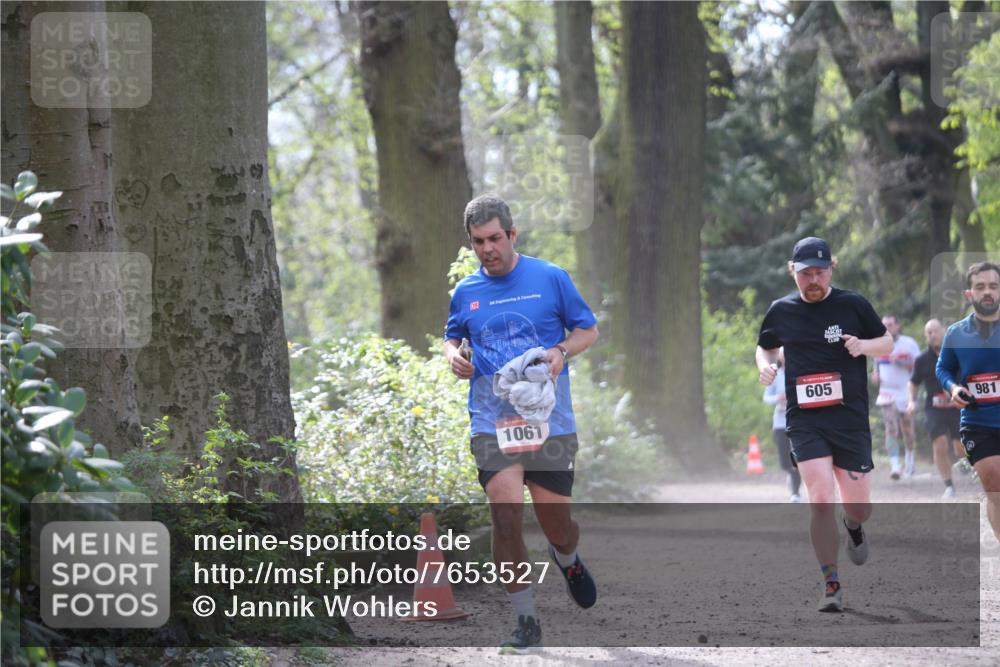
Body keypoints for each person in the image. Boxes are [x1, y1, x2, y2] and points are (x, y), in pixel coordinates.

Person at [444, 194, 600, 650]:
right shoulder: (466, 292)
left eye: (495, 238)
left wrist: (560, 352)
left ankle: (566, 556)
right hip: (492, 421)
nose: (488, 248)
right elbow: (451, 337)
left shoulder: (550, 278)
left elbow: (587, 329)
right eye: (478, 242)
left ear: (512, 234)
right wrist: (455, 356)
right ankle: (525, 618)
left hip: (548, 420)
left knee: (557, 524)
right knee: (506, 517)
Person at [756, 237, 893, 612]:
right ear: (793, 272)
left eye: (819, 272)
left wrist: (864, 347)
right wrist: (765, 365)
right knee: (819, 499)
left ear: (831, 268)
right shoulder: (780, 310)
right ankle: (831, 582)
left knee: (859, 507)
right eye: (805, 274)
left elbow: (887, 341)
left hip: (848, 420)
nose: (812, 280)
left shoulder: (852, 304)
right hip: (804, 421)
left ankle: (853, 525)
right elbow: (765, 344)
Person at [936, 261, 1000, 543]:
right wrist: (953, 388)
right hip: (978, 421)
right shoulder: (956, 333)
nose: (988, 292)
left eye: (994, 286)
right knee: (994, 484)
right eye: (980, 287)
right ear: (969, 294)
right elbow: (943, 369)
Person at [907, 319, 963, 498]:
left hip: (958, 406)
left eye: (935, 331)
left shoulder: (957, 353)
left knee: (960, 448)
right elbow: (913, 383)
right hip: (934, 408)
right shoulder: (922, 359)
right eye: (929, 332)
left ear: (943, 332)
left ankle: (973, 469)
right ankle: (949, 486)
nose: (932, 335)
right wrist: (911, 401)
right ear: (926, 336)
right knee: (940, 444)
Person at [872, 315, 920, 479]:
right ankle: (895, 465)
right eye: (884, 325)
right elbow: (876, 368)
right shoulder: (878, 343)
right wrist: (876, 376)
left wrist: (898, 361)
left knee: (907, 429)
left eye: (890, 324)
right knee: (891, 428)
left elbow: (918, 366)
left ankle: (910, 459)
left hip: (906, 391)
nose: (887, 327)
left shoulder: (909, 343)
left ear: (898, 326)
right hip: (887, 393)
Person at [762, 349, 803, 502]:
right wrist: (778, 398)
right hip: (780, 421)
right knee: (785, 460)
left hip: (798, 421)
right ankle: (791, 475)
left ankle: (795, 492)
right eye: (784, 353)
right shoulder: (776, 375)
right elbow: (766, 397)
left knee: (796, 458)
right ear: (780, 356)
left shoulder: (801, 373)